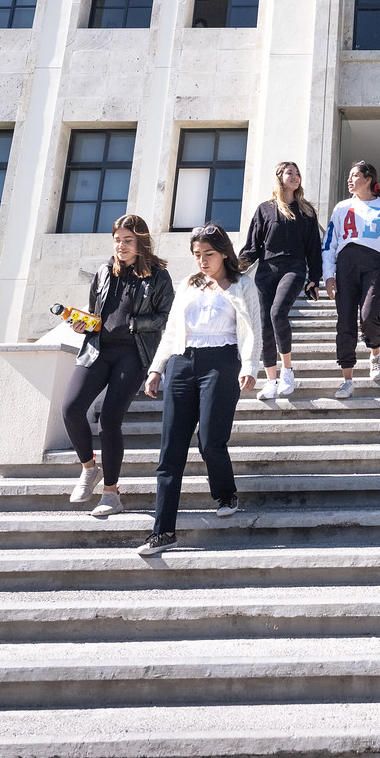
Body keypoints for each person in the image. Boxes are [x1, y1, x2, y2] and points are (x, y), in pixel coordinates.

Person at [136, 223, 262, 557]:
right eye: (196, 255)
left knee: (210, 439)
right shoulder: (188, 285)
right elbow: (173, 330)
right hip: (182, 363)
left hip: (221, 362)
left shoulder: (242, 284)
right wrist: (156, 368)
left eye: (208, 254)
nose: (202, 261)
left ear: (224, 253)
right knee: (170, 450)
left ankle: (225, 493)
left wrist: (249, 366)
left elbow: (254, 330)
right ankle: (163, 531)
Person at [62, 213, 174, 519]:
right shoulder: (103, 272)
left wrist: (134, 322)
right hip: (97, 350)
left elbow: (166, 317)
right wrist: (82, 325)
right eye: (117, 240)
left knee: (109, 420)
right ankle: (89, 468)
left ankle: (111, 493)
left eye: (128, 240)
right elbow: (95, 313)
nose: (121, 246)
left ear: (140, 242)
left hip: (133, 354)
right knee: (71, 409)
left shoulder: (159, 277)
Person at [239, 161, 321, 401]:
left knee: (277, 314)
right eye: (289, 173)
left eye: (297, 173)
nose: (295, 176)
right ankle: (271, 380)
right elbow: (252, 247)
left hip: (294, 268)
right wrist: (232, 270)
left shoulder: (306, 211)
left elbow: (313, 249)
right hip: (266, 270)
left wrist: (314, 279)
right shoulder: (265, 209)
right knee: (263, 324)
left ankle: (287, 371)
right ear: (279, 177)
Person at [322, 160, 380, 398]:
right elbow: (329, 243)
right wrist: (328, 275)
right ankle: (347, 379)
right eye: (349, 175)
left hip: (376, 266)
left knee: (369, 317)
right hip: (346, 266)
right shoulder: (341, 208)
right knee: (345, 322)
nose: (350, 179)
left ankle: (375, 352)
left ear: (368, 179)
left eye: (355, 175)